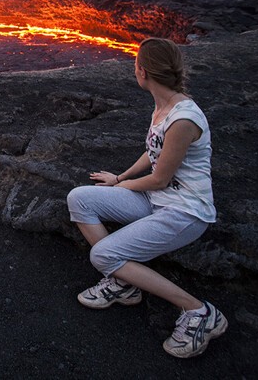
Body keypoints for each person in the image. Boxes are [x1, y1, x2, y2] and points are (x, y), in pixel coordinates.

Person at [66, 37, 227, 358]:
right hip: (156, 201)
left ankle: (199, 312)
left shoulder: (183, 119)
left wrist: (123, 188)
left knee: (101, 255)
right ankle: (125, 282)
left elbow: (159, 177)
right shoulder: (163, 106)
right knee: (80, 199)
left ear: (142, 72)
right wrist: (120, 177)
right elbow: (154, 151)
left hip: (184, 213)